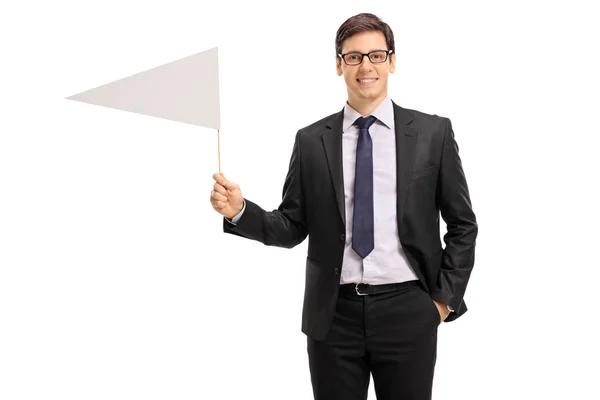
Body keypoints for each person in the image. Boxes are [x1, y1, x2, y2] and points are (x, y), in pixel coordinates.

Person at [209, 12, 477, 400]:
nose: (365, 66)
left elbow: (463, 224)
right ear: (338, 65)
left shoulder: (433, 134)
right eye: (353, 57)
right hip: (333, 316)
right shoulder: (311, 140)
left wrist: (440, 303)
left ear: (392, 61)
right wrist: (239, 210)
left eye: (376, 55)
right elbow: (291, 227)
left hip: (409, 309)